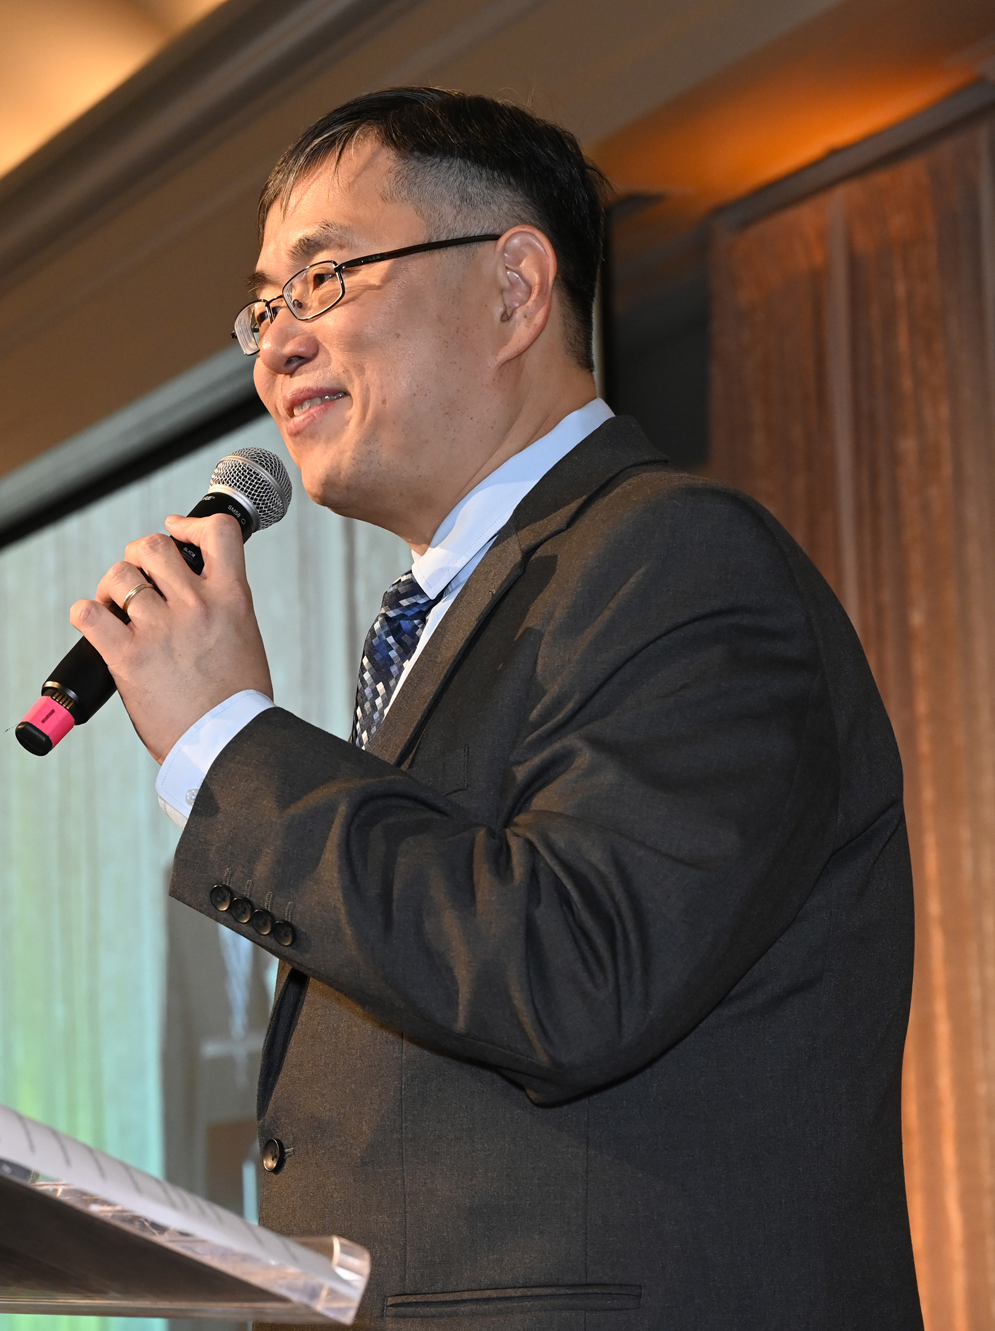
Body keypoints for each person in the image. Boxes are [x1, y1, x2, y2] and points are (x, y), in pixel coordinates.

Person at [71, 88, 920, 1327]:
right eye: (263, 305)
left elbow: (577, 969)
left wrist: (226, 739)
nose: (274, 345)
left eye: (322, 280)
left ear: (514, 291)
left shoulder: (676, 557)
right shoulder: (457, 611)